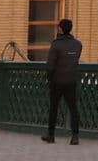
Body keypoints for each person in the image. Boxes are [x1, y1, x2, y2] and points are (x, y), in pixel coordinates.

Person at [41, 18, 82, 146]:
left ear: (60, 28)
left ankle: (51, 135)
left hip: (57, 81)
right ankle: (75, 137)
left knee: (54, 108)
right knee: (73, 108)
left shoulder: (56, 44)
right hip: (71, 80)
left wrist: (49, 78)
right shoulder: (78, 44)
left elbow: (50, 65)